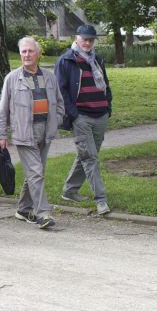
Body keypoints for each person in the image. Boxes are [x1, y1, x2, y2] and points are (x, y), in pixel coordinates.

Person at [0, 37, 65, 229]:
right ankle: (43, 214)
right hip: (24, 132)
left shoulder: (49, 77)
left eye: (30, 51)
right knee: (36, 173)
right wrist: (1, 134)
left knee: (35, 172)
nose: (26, 55)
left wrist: (56, 120)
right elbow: (3, 110)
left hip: (46, 130)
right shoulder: (12, 78)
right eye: (23, 52)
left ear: (38, 54)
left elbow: (59, 103)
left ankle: (23, 209)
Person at [56, 24, 113, 215]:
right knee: (90, 158)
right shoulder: (66, 60)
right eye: (84, 39)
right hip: (81, 117)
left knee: (87, 155)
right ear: (77, 38)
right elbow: (60, 91)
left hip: (100, 115)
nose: (87, 43)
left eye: (91, 39)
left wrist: (107, 106)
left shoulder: (97, 59)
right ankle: (101, 200)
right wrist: (73, 115)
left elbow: (105, 84)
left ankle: (69, 190)